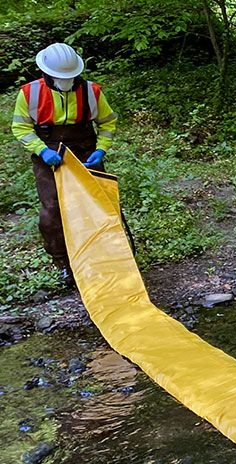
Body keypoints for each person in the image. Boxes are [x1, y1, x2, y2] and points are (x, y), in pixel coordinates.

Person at [11, 42, 118, 284]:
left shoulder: (92, 92)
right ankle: (63, 262)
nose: (66, 80)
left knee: (98, 203)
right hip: (48, 155)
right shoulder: (29, 93)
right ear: (47, 73)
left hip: (86, 152)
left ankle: (103, 255)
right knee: (53, 208)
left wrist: (101, 149)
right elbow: (21, 127)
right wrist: (41, 150)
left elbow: (108, 122)